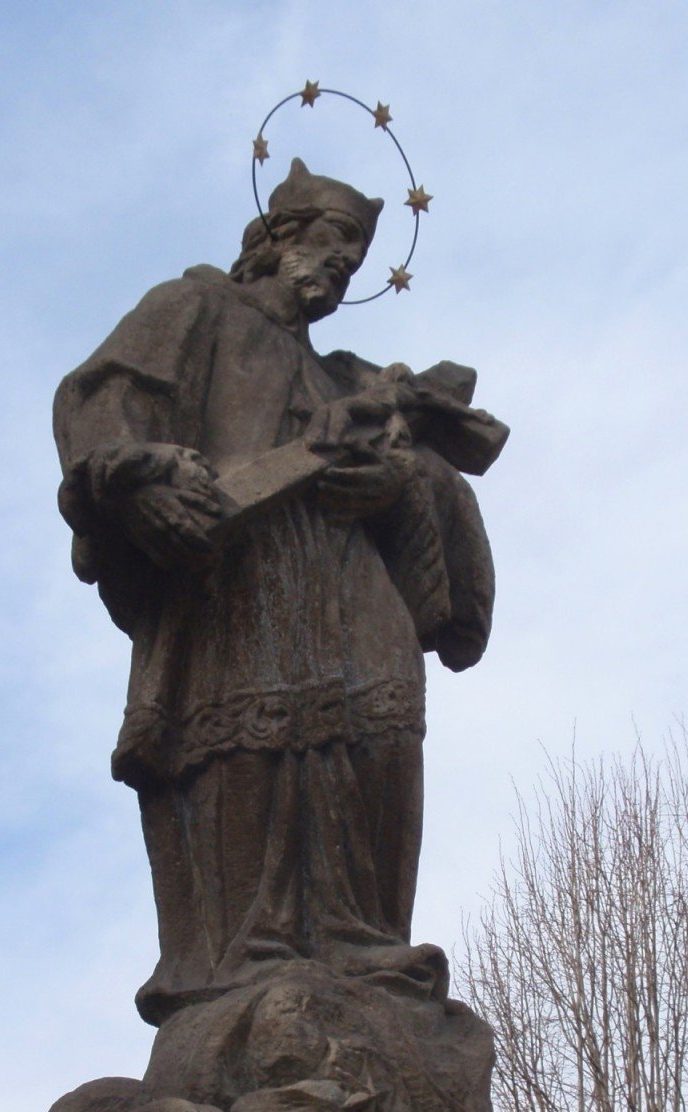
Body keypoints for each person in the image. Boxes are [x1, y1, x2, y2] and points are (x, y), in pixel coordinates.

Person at [54, 159, 501, 1023]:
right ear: (277, 237)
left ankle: (364, 944)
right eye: (333, 242)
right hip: (240, 579)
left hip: (353, 588)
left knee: (378, 732)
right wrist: (137, 479)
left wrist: (399, 482)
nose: (342, 265)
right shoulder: (195, 308)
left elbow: (440, 478)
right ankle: (239, 963)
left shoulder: (351, 379)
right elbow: (101, 401)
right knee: (247, 744)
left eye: (358, 256)